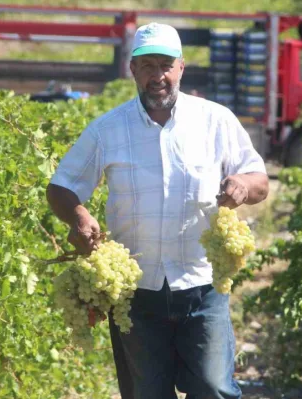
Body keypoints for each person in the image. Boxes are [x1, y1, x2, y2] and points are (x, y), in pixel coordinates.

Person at [46, 22, 269, 399]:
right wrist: (79, 216)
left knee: (214, 389)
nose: (157, 75)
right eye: (147, 65)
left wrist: (243, 185)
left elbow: (260, 180)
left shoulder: (215, 121)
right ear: (132, 70)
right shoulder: (107, 130)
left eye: (165, 65)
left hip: (202, 287)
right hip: (137, 295)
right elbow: (62, 186)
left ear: (181, 67)